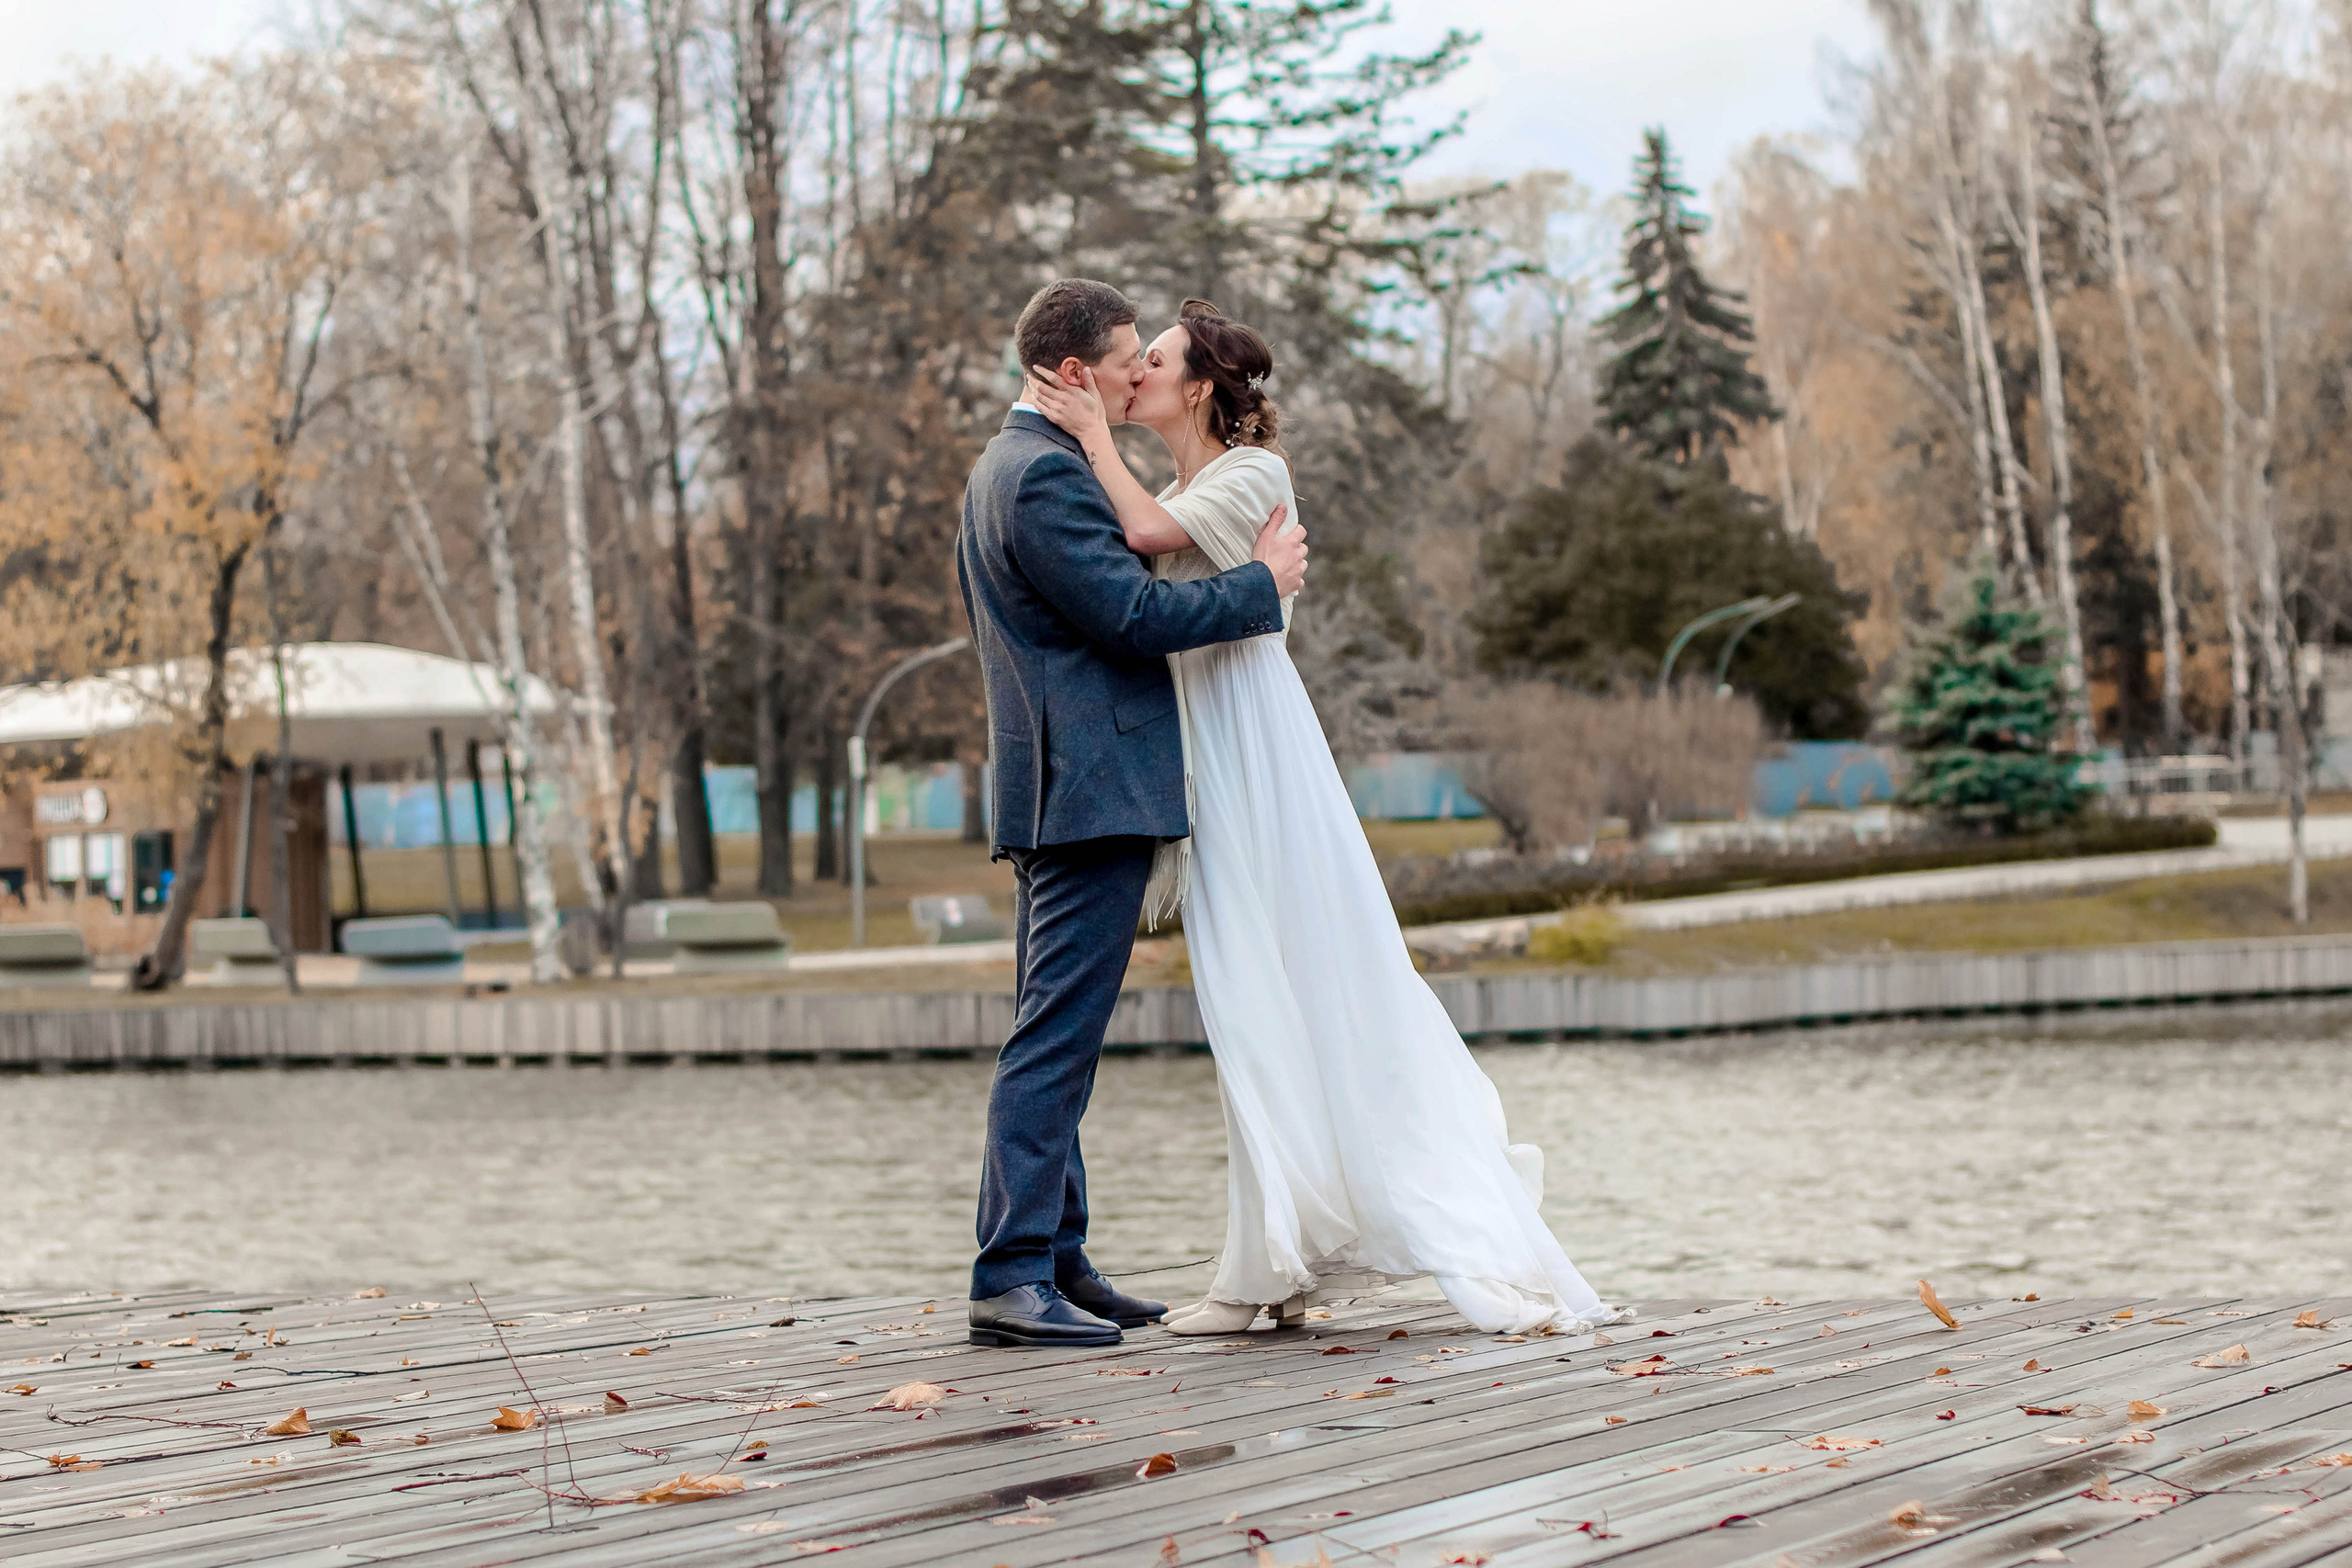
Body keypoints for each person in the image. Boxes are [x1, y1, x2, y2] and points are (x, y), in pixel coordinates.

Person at [1020, 299, 1629, 1337]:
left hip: (1256, 754)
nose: (1134, 377)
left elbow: (1143, 537)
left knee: (1279, 984)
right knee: (1246, 998)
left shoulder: (1250, 477)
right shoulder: (1177, 480)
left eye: (1153, 361)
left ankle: (1272, 1267)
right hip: (1205, 753)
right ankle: (1277, 1258)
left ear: (1199, 385)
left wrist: (1082, 436)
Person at [958, 279, 1309, 1348]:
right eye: (1122, 360)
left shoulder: (1011, 469)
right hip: (1088, 795)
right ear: (1074, 372)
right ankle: (1012, 1273)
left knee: (1052, 1031)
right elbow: (1132, 613)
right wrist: (1259, 586)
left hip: (1059, 787)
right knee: (1054, 1041)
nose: (1132, 376)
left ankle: (1057, 1257)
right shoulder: (1047, 481)